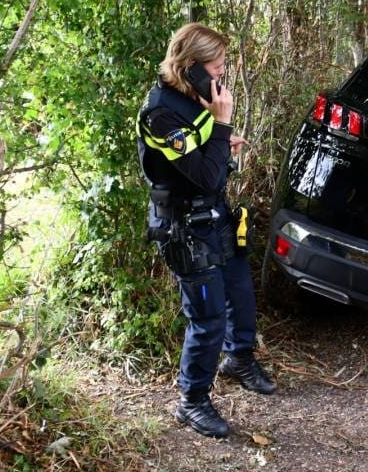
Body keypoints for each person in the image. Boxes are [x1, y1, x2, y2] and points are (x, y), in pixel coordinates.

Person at [136, 22, 275, 439]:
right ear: (190, 66)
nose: (222, 73)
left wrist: (219, 139)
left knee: (240, 293)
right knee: (208, 316)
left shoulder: (192, 97)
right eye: (217, 66)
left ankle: (238, 360)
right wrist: (222, 126)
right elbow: (205, 175)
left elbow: (203, 158)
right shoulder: (159, 114)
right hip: (184, 226)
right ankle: (192, 401)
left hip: (214, 215)